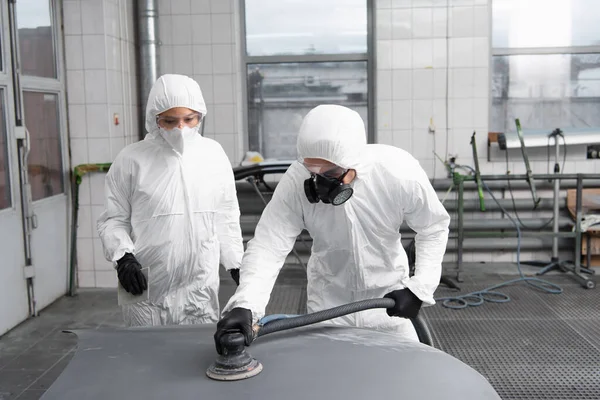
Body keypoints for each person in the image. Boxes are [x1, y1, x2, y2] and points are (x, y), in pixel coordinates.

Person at [214, 104, 450, 353]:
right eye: (312, 170)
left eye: (331, 172)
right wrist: (246, 304)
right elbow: (269, 245)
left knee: (401, 381)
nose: (319, 183)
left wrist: (419, 288)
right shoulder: (296, 181)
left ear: (354, 162)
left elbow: (433, 227)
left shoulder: (398, 173)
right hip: (328, 308)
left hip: (387, 304)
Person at [97, 74, 244, 327]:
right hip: (146, 285)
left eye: (189, 119)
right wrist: (123, 257)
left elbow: (226, 216)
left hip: (199, 286)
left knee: (195, 356)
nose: (181, 129)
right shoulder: (132, 160)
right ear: (155, 120)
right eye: (170, 121)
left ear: (200, 116)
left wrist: (236, 263)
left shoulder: (213, 155)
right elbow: (114, 219)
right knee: (147, 357)